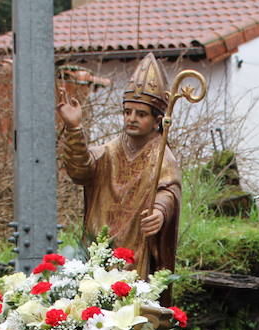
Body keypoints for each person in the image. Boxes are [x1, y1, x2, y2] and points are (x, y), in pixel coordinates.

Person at [57, 52, 181, 273]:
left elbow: (168, 191)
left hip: (137, 251)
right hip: (100, 249)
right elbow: (80, 170)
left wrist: (160, 211)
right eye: (127, 112)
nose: (131, 118)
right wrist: (74, 129)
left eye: (141, 114)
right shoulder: (109, 151)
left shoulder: (162, 156)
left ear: (157, 121)